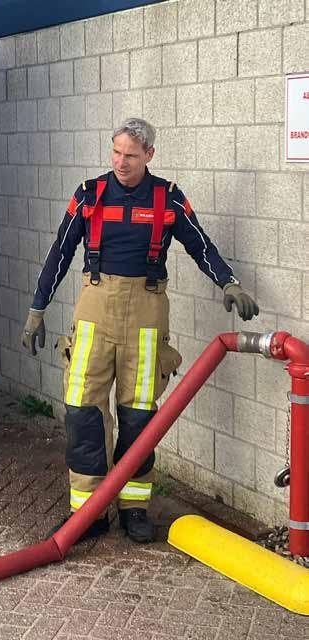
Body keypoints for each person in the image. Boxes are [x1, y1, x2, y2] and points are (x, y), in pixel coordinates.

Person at [21, 118, 258, 543]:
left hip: (147, 316)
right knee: (83, 410)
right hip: (95, 311)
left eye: (130, 155)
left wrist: (229, 282)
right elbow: (61, 250)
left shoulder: (168, 198)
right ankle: (88, 514)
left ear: (149, 154)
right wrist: (38, 308)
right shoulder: (89, 194)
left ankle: (134, 509)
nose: (121, 162)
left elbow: (200, 245)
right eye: (116, 152)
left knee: (139, 416)